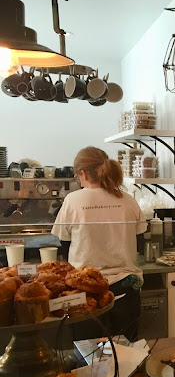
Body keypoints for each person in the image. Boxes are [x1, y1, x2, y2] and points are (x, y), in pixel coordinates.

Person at [52, 146, 147, 340]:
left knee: (89, 351)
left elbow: (64, 243)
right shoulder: (128, 200)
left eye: (78, 176)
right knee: (127, 351)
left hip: (86, 292)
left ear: (84, 173)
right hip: (125, 286)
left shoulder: (73, 200)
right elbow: (140, 241)